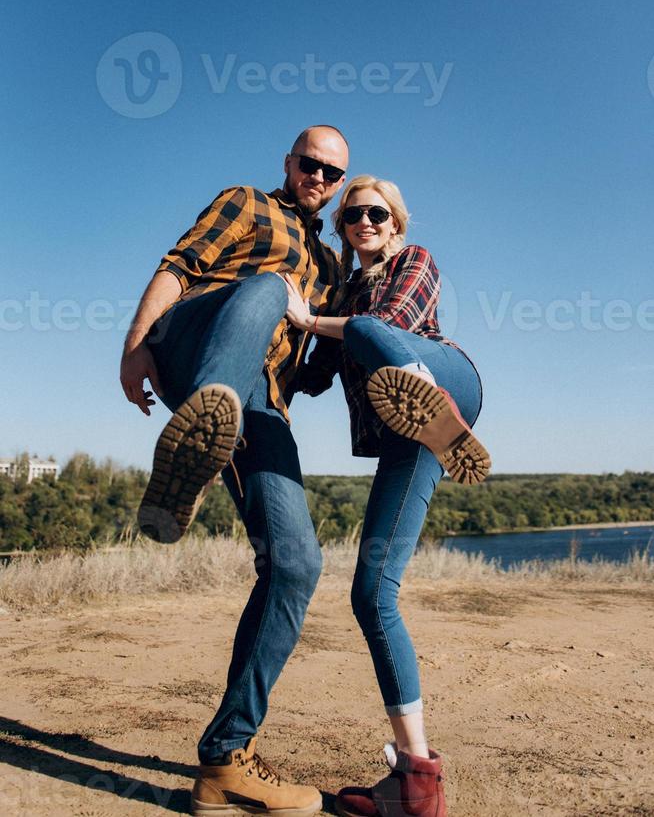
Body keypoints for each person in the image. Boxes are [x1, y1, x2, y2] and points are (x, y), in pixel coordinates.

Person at [119, 125, 349, 817]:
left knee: (297, 564)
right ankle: (205, 417)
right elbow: (179, 266)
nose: (319, 179)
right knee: (269, 288)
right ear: (289, 163)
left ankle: (225, 761)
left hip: (262, 399)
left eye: (333, 174)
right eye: (310, 165)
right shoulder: (249, 203)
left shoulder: (334, 270)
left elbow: (307, 378)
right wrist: (133, 349)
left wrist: (358, 335)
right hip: (194, 340)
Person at [282, 175, 491, 817]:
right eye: (353, 217)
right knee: (372, 592)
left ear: (395, 222)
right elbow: (312, 374)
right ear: (344, 229)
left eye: (376, 213)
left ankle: (433, 403)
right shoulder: (344, 291)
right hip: (408, 431)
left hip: (448, 379)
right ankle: (416, 781)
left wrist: (311, 317)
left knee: (372, 331)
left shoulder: (414, 262)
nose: (364, 222)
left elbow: (389, 323)